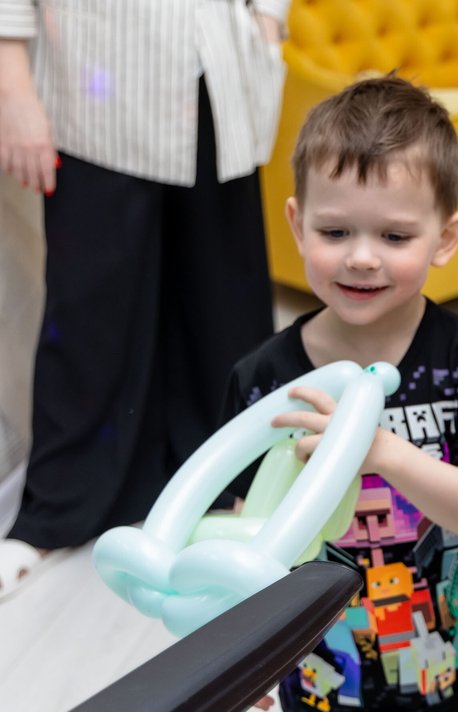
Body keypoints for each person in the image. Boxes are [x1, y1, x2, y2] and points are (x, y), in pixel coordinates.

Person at [222, 76, 458, 712]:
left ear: (446, 237)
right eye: (335, 233)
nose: (362, 257)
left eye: (394, 236)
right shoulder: (265, 379)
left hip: (457, 685)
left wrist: (382, 453)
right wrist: (243, 651)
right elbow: (242, 534)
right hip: (324, 682)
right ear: (297, 225)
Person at [0, 0, 288, 598]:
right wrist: (13, 87)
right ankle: (58, 508)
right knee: (90, 309)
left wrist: (268, 18)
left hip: (220, 63)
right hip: (95, 78)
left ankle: (232, 487)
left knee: (223, 303)